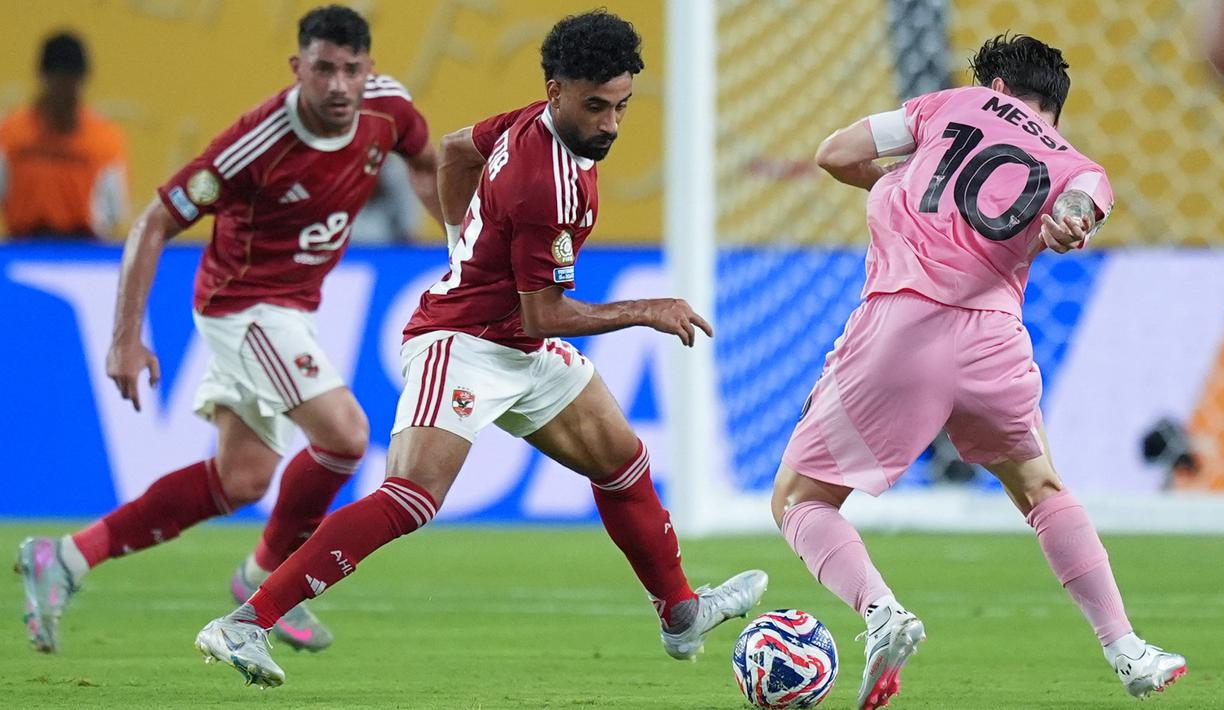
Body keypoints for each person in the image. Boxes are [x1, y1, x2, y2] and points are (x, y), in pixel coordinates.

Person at [192, 10, 768, 689]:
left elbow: (456, 149)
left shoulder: (533, 120)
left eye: (621, 106)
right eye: (596, 107)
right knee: (410, 496)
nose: (610, 123)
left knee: (621, 459)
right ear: (557, 92)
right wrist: (648, 309)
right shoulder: (545, 182)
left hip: (516, 342)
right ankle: (246, 622)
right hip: (463, 342)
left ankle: (679, 613)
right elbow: (545, 311)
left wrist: (463, 237)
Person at [769, 34, 1187, 710]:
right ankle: (1128, 651)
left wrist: (896, 179)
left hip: (902, 324)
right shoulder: (1081, 166)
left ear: (993, 83)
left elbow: (833, 152)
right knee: (1039, 487)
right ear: (1055, 106)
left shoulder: (951, 103)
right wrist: (1063, 227)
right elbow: (1076, 217)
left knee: (800, 499)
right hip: (993, 340)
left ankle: (881, 613)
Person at [15, 5, 443, 655]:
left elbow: (424, 160)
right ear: (296, 67)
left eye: (350, 70)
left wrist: (461, 238)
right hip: (242, 304)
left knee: (241, 478)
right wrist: (125, 337)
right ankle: (265, 576)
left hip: (292, 308)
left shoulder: (390, 110)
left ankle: (66, 558)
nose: (336, 85)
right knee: (346, 436)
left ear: (368, 72)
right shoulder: (258, 142)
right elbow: (153, 221)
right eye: (321, 68)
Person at [0, 31, 127, 240]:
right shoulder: (11, 134)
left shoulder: (104, 139)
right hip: (25, 244)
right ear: (43, 77)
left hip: (83, 246)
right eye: (60, 80)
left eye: (73, 80)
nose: (66, 91)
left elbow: (112, 213)